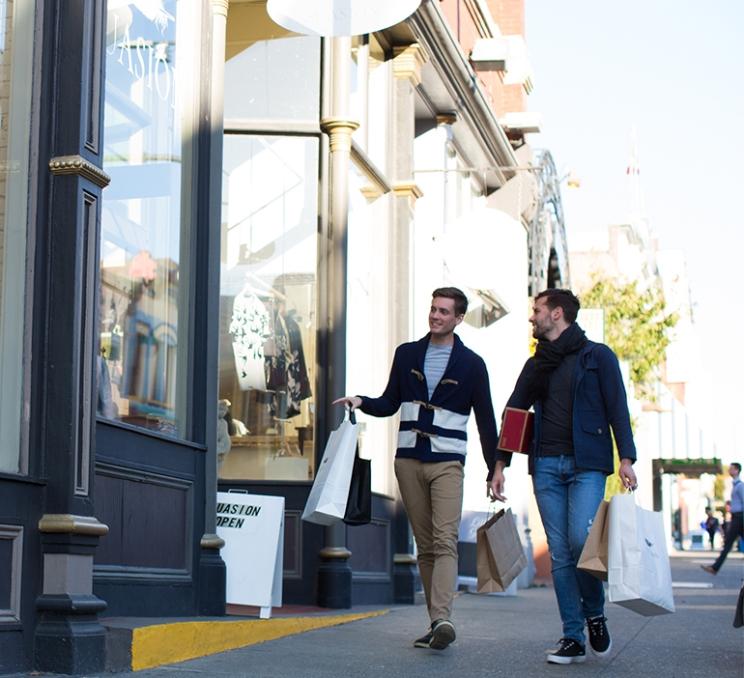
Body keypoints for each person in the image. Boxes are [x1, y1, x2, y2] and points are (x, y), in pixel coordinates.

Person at [333, 287, 498, 651]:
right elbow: (390, 402)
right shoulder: (407, 354)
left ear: (458, 319)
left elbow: (486, 420)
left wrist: (495, 467)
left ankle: (443, 617)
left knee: (444, 540)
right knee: (424, 545)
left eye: (443, 311)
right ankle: (435, 621)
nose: (435, 316)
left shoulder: (472, 365)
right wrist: (361, 401)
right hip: (408, 460)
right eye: (433, 309)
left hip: (447, 462)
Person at [490, 288, 637, 665]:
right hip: (546, 466)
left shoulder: (597, 356)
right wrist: (500, 464)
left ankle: (595, 613)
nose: (531, 317)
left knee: (579, 542)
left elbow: (617, 407)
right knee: (559, 553)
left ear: (557, 314)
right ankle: (572, 635)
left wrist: (627, 458)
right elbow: (515, 411)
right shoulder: (537, 364)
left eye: (536, 310)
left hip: (587, 464)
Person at [702, 462, 744, 574]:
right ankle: (715, 567)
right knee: (728, 543)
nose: (729, 470)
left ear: (736, 470)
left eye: (731, 469)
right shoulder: (735, 485)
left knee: (728, 543)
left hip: (740, 518)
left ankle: (715, 568)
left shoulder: (740, 486)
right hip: (737, 517)